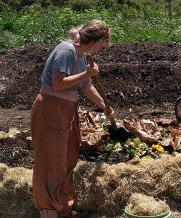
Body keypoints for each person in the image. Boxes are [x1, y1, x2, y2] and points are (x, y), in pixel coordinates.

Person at [31, 20, 114, 218]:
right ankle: (49, 211)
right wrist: (87, 73)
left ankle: (64, 208)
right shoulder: (66, 50)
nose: (102, 49)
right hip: (51, 109)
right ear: (96, 40)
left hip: (67, 110)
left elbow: (87, 87)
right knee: (51, 161)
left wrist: (105, 107)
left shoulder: (81, 57)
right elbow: (58, 84)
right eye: (103, 44)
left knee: (67, 158)